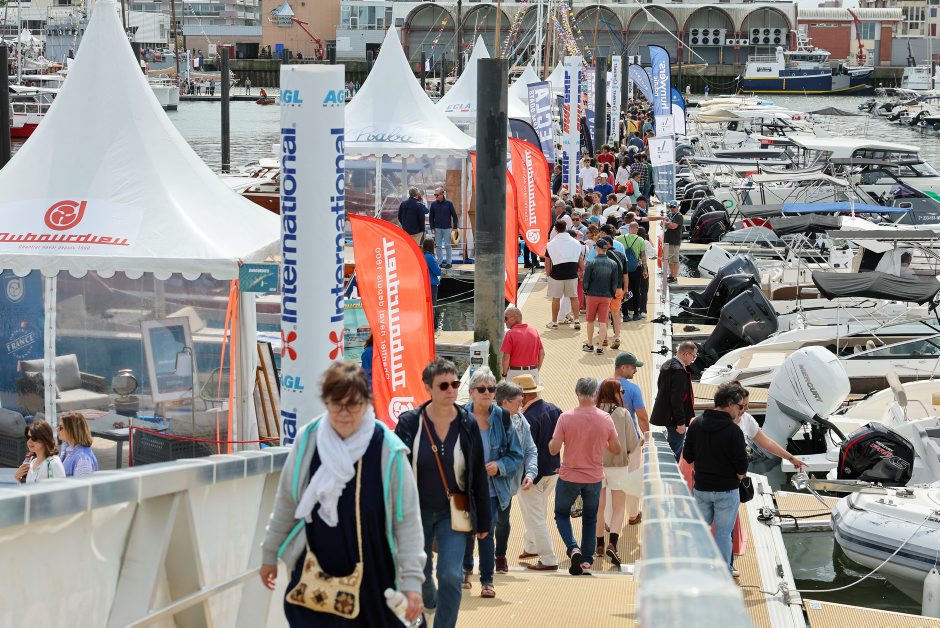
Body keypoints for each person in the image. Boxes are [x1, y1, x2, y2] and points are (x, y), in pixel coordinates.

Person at [259, 362, 425, 627]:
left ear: (367, 403)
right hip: (314, 580)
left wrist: (412, 582)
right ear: (326, 402)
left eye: (353, 405)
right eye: (337, 404)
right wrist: (269, 554)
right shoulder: (308, 440)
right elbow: (286, 503)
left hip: (374, 580)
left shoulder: (387, 449)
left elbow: (406, 521)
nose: (344, 413)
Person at [395, 358, 491, 628]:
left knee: (450, 574)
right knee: (420, 574)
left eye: (455, 384)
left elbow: (478, 473)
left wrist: (484, 521)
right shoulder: (409, 424)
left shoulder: (467, 423)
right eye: (444, 385)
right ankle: (431, 605)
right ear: (428, 388)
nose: (451, 390)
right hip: (416, 512)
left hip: (456, 510)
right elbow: (394, 471)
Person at [461, 368, 523, 598]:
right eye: (481, 389)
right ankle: (466, 570)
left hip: (492, 488)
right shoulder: (459, 417)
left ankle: (487, 580)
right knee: (465, 531)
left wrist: (499, 465)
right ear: (471, 392)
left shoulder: (502, 418)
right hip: (464, 488)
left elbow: (516, 455)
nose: (487, 392)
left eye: (491, 389)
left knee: (486, 533)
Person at [550, 377, 620, 576]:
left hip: (569, 475)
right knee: (590, 518)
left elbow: (554, 449)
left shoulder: (565, 417)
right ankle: (587, 561)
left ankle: (573, 548)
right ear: (595, 393)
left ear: (576, 392)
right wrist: (602, 443)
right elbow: (616, 449)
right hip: (594, 477)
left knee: (561, 514)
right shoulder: (605, 419)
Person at [682, 382, 749, 575]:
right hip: (727, 490)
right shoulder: (733, 431)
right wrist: (736, 478)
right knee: (723, 534)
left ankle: (697, 571)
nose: (741, 411)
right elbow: (741, 467)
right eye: (740, 406)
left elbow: (688, 456)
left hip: (702, 488)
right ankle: (723, 573)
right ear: (730, 404)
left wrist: (701, 471)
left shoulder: (697, 424)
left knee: (699, 532)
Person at [511, 375, 562, 571]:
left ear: (522, 396)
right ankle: (531, 546)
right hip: (553, 469)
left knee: (535, 515)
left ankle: (548, 558)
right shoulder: (554, 409)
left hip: (531, 475)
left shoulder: (526, 419)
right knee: (538, 511)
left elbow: (522, 450)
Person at [594, 378, 643, 566]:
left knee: (599, 507)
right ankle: (612, 544)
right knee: (619, 507)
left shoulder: (593, 412)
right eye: (621, 391)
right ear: (615, 393)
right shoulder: (623, 414)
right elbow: (632, 443)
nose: (622, 394)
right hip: (618, 466)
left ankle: (599, 543)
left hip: (596, 465)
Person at [493, 381, 538, 575]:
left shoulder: (520, 420)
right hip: (486, 479)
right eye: (518, 401)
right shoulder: (487, 419)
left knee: (503, 520)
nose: (521, 404)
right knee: (483, 521)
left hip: (507, 482)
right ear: (505, 402)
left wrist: (530, 473)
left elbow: (530, 449)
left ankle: (500, 556)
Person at [614, 353, 649, 524]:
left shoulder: (600, 385)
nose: (635, 370)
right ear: (623, 367)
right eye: (633, 367)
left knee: (609, 479)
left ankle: (609, 519)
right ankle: (633, 515)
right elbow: (642, 417)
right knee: (632, 477)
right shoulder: (633, 389)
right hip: (630, 441)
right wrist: (647, 437)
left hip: (608, 441)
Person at [650, 341, 698, 461]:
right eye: (694, 356)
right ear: (686, 354)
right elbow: (677, 399)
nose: (694, 359)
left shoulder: (667, 365)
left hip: (667, 415)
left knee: (672, 448)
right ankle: (668, 470)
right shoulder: (679, 372)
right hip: (675, 419)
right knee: (674, 451)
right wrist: (681, 423)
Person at [544, 220, 584, 330]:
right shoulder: (576, 242)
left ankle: (554, 322)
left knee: (556, 298)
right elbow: (580, 258)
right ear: (566, 228)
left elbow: (547, 261)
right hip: (572, 272)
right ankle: (576, 320)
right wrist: (582, 270)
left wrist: (548, 274)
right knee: (574, 297)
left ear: (555, 229)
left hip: (556, 274)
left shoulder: (550, 244)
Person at [582, 239, 618, 355]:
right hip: (606, 296)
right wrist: (611, 294)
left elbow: (586, 281)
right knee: (603, 321)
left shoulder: (591, 262)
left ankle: (590, 345)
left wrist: (585, 291)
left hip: (592, 295)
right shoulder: (613, 264)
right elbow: (614, 283)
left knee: (590, 321)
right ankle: (600, 348)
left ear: (597, 248)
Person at [501, 305, 545, 384]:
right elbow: (542, 353)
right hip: (532, 372)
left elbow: (506, 357)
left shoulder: (510, 334)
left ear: (513, 318)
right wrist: (536, 370)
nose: (504, 321)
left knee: (512, 392)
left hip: (515, 372)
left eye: (506, 318)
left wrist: (504, 374)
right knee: (533, 392)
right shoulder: (534, 331)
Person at [615, 222, 648, 322]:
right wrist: (645, 269)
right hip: (636, 268)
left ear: (629, 228)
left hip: (623, 268)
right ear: (637, 229)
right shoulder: (640, 239)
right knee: (636, 291)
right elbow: (643, 256)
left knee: (625, 290)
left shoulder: (619, 238)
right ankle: (636, 313)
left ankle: (625, 314)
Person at [58, 412, 99, 477]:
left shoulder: (83, 460)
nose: (57, 429)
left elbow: (83, 483)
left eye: (61, 427)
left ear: (72, 430)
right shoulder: (67, 447)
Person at [429, 187, 459, 269]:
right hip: (437, 228)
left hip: (447, 228)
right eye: (435, 195)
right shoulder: (433, 204)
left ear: (442, 194)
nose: (436, 196)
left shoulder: (449, 203)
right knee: (438, 246)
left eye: (437, 195)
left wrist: (455, 227)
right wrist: (432, 228)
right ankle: (439, 262)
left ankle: (449, 263)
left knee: (448, 246)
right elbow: (431, 217)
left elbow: (454, 216)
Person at [664, 200, 683, 283]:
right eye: (670, 207)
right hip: (667, 240)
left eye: (673, 207)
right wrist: (668, 223)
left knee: (675, 260)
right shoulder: (669, 214)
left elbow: (673, 226)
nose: (672, 208)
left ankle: (675, 277)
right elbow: (662, 224)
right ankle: (671, 275)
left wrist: (667, 223)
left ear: (677, 207)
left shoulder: (679, 216)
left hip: (675, 241)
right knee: (670, 260)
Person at [422, 239, 442, 310]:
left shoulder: (422, 256)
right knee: (433, 305)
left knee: (426, 305)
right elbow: (438, 272)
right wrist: (439, 268)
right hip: (431, 284)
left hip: (424, 283)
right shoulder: (430, 257)